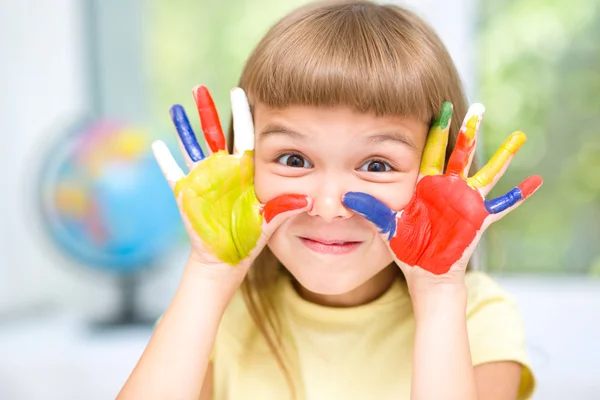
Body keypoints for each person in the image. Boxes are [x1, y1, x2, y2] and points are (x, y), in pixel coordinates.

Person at [118, 1, 542, 399]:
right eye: (294, 159)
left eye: (376, 165)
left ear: (444, 173)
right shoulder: (215, 316)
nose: (327, 205)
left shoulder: (477, 320)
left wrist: (436, 292)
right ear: (244, 167)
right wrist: (209, 274)